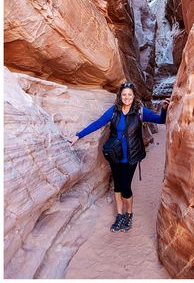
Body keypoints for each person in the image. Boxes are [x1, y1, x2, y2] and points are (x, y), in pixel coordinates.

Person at [68, 81, 170, 233]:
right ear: (120, 96)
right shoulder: (114, 111)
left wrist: (163, 109)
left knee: (126, 188)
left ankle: (129, 214)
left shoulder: (140, 111)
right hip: (115, 155)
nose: (127, 97)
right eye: (124, 94)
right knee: (117, 186)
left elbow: (160, 120)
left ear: (133, 96)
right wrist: (78, 135)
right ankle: (120, 215)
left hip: (131, 156)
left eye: (129, 94)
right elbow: (98, 123)